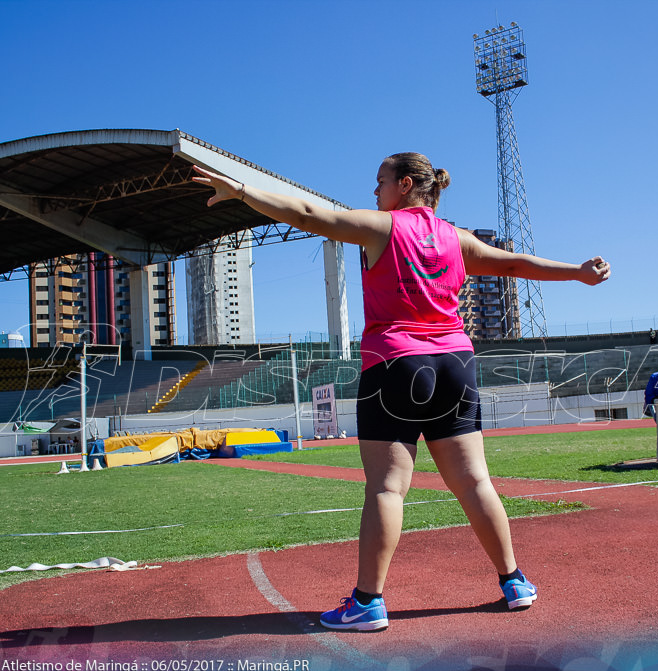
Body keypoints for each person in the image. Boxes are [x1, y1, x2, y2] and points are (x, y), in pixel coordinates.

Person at [192, 153, 610, 632]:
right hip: (455, 363)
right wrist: (577, 272)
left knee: (388, 488)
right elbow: (516, 264)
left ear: (405, 185)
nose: (374, 192)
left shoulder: (381, 227)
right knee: (475, 483)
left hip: (396, 363)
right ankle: (514, 581)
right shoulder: (459, 239)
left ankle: (368, 603)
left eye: (380, 182)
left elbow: (306, 215)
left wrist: (243, 193)